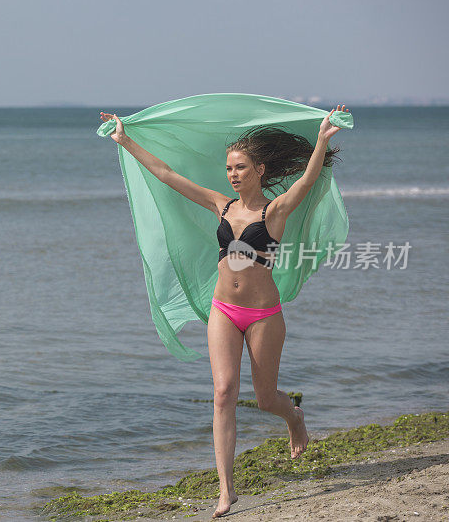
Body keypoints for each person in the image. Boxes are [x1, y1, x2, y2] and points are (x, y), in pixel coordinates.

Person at [99, 105, 349, 518]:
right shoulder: (222, 206)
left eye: (240, 167)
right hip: (223, 310)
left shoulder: (275, 211)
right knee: (223, 393)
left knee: (266, 398)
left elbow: (307, 179)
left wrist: (323, 139)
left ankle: (294, 417)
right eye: (229, 168)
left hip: (264, 315)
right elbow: (167, 175)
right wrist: (125, 140)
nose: (232, 174)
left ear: (260, 169)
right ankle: (226, 490)